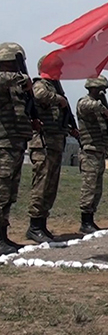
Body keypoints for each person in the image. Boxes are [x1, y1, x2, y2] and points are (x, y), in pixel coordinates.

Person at [25, 55, 80, 243]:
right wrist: (59, 99)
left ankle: (41, 224)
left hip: (55, 144)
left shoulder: (54, 87)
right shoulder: (41, 84)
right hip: (43, 144)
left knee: (50, 187)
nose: (61, 70)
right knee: (41, 185)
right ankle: (34, 226)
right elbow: (38, 94)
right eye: (58, 67)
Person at [0, 42, 39, 254]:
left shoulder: (15, 85)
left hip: (14, 144)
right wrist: (22, 78)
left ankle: (3, 236)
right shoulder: (6, 80)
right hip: (3, 144)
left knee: (9, 193)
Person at [76, 75, 108, 234]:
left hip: (99, 151)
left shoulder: (98, 109)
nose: (102, 93)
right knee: (89, 187)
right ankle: (85, 222)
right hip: (89, 151)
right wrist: (103, 108)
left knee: (97, 189)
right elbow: (88, 105)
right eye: (100, 90)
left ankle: (90, 219)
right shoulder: (85, 102)